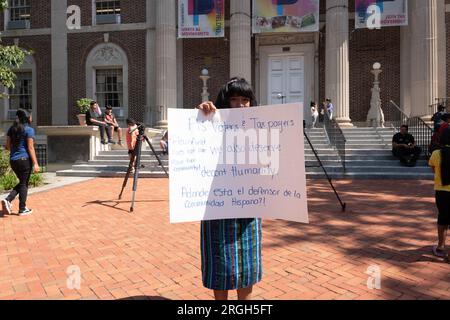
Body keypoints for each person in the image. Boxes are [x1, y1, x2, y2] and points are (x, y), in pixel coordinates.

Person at [196, 77, 262, 301]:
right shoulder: (211, 125)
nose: (241, 105)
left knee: (247, 267)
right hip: (217, 207)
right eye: (234, 100)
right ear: (225, 102)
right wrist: (201, 117)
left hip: (248, 207)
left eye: (245, 99)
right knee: (219, 265)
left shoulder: (262, 128)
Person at [1, 109, 40, 216]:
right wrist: (36, 163)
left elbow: (7, 146)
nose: (32, 118)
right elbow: (30, 147)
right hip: (24, 160)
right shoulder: (29, 130)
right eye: (31, 116)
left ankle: (8, 200)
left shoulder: (11, 129)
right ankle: (21, 208)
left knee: (22, 183)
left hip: (13, 160)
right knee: (23, 184)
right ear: (27, 118)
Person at [429, 128, 450, 259]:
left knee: (443, 218)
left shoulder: (437, 153)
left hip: (442, 191)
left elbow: (433, 168)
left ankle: (441, 246)